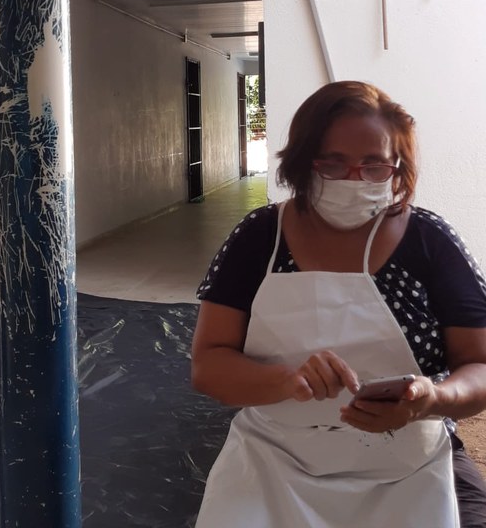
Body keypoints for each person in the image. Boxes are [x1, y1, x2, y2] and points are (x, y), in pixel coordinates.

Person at [192, 80, 486, 528]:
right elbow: (208, 366)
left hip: (409, 463)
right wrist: (286, 380)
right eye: (332, 163)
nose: (353, 179)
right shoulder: (259, 238)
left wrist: (431, 400)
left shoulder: (430, 241)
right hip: (273, 460)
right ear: (302, 161)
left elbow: (480, 365)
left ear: (398, 166)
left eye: (374, 166)